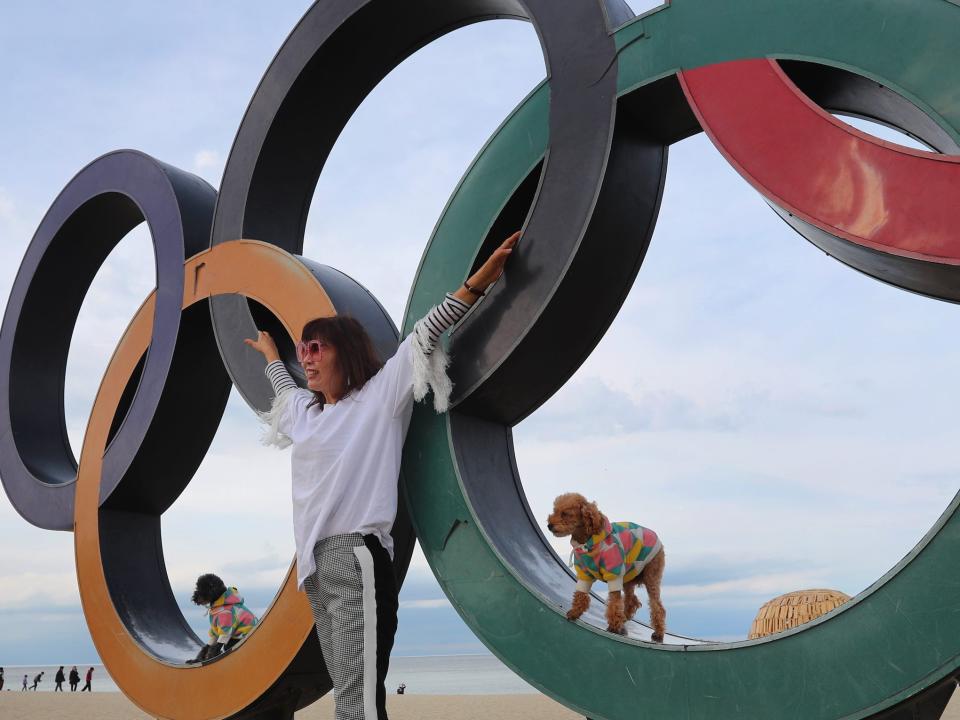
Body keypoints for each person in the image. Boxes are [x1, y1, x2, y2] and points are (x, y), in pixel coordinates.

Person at [246, 231, 518, 720]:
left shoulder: (376, 400)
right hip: (315, 571)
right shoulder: (306, 416)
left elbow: (424, 333)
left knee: (358, 702)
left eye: (314, 347)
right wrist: (271, 354)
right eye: (301, 348)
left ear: (344, 353)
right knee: (349, 700)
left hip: (356, 558)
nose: (304, 356)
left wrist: (477, 283)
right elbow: (284, 391)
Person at [185, 573, 259, 664]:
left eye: (201, 591)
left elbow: (224, 635)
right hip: (240, 638)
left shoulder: (226, 611)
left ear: (211, 592)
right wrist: (200, 658)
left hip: (251, 639)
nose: (197, 595)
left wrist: (210, 658)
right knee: (227, 645)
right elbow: (216, 635)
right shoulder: (219, 609)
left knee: (228, 646)